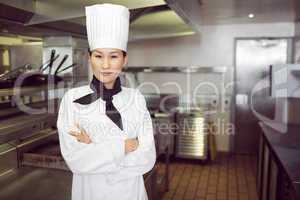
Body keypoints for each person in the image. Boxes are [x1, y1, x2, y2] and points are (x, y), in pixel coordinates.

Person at [56, 3, 156, 200]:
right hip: (89, 194)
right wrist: (123, 147)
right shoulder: (72, 100)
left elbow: (147, 157)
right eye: (98, 56)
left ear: (124, 60)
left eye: (114, 56)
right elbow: (75, 160)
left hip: (131, 194)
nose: (106, 65)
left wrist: (94, 147)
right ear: (89, 58)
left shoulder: (135, 99)